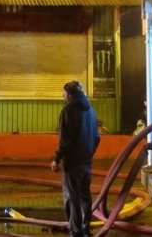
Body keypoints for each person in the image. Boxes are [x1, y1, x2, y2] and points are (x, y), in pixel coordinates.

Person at [50, 80, 100, 237]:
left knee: (72, 197)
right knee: (85, 195)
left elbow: (66, 139)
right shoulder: (90, 110)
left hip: (73, 162)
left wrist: (57, 158)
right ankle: (85, 229)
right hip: (86, 162)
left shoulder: (68, 110)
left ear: (70, 94)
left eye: (64, 93)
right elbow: (97, 137)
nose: (63, 96)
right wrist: (89, 154)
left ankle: (76, 232)